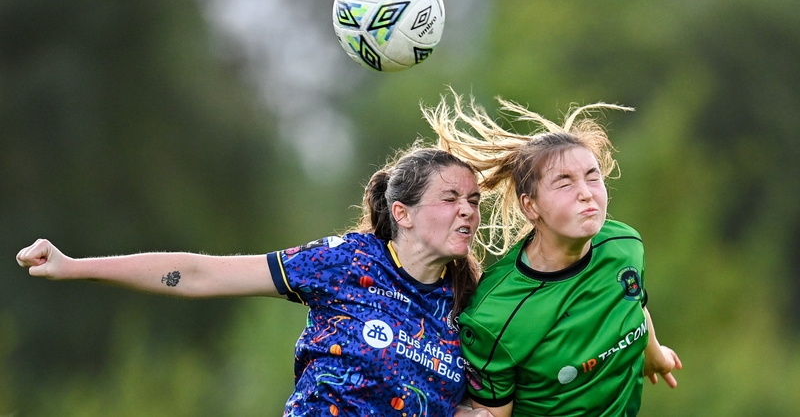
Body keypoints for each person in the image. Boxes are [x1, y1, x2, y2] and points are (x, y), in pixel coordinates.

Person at [16, 146, 494, 417]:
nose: (467, 211)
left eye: (473, 200)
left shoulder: (470, 303)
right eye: (450, 198)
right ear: (402, 213)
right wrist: (73, 265)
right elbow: (200, 274)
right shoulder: (345, 262)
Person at [423, 92, 682, 417]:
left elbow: (633, 303)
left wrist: (654, 354)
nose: (586, 193)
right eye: (565, 183)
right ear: (530, 206)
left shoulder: (624, 244)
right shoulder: (495, 316)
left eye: (593, 176)